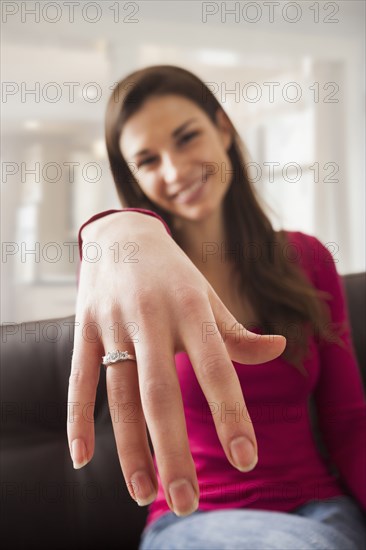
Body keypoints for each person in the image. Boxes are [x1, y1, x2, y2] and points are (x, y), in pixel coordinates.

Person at [67, 65, 366, 549]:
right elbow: (104, 258)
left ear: (223, 129)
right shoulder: (135, 279)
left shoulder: (307, 259)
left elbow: (349, 422)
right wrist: (107, 228)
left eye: (187, 138)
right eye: (147, 160)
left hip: (323, 515)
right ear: (133, 178)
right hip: (192, 519)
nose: (175, 170)